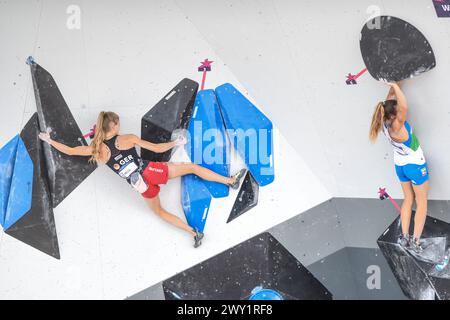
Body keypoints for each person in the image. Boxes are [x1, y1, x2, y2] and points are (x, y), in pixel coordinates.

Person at [38, 111, 246, 248]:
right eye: (118, 123)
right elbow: (155, 148)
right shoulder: (125, 138)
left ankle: (194, 233)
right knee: (190, 167)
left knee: (160, 212)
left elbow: (72, 151)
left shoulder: (97, 149)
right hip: (150, 171)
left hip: (141, 188)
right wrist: (176, 143)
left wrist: (49, 140)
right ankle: (230, 181)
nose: (120, 125)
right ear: (114, 126)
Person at [369, 81, 429, 253]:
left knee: (408, 199)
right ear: (396, 115)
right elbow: (404, 106)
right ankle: (416, 243)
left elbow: (389, 102)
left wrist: (395, 86)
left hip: (401, 165)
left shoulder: (384, 123)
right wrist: (395, 85)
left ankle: (404, 237)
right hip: (415, 165)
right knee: (422, 202)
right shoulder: (398, 125)